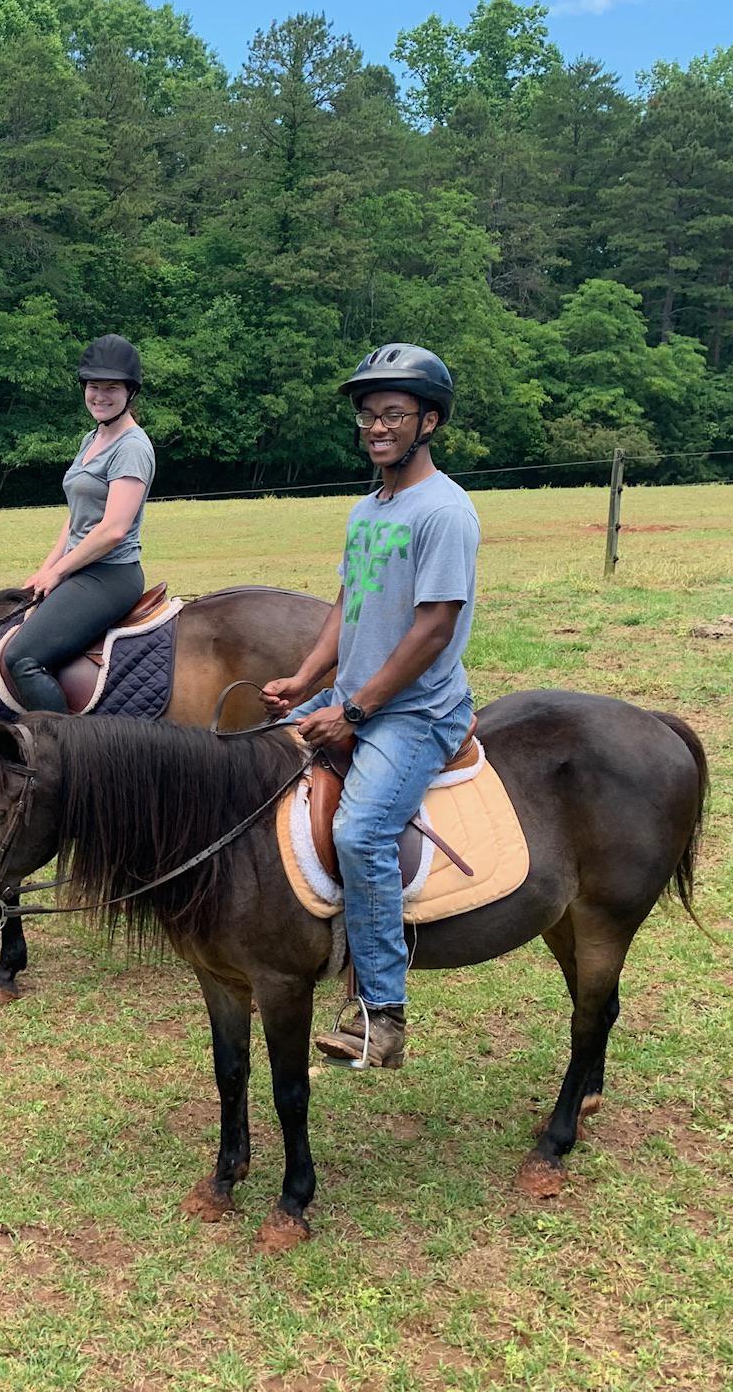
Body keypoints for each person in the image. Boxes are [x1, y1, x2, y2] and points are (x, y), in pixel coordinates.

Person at [260, 343, 480, 1071]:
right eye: (367, 414)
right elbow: (347, 604)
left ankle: (380, 1011)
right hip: (352, 691)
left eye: (392, 413)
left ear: (429, 422)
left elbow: (432, 629)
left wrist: (351, 713)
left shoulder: (444, 511)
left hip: (416, 711)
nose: (376, 426)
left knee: (359, 832)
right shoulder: (368, 508)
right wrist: (302, 680)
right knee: (250, 759)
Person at [6, 334, 156, 713]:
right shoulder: (92, 438)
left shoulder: (132, 447)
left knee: (23, 658)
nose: (100, 396)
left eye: (111, 388)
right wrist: (46, 568)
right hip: (79, 568)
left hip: (108, 574)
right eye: (93, 386)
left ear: (130, 393)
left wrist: (58, 573)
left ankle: (65, 752)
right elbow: (76, 515)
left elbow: (113, 529)